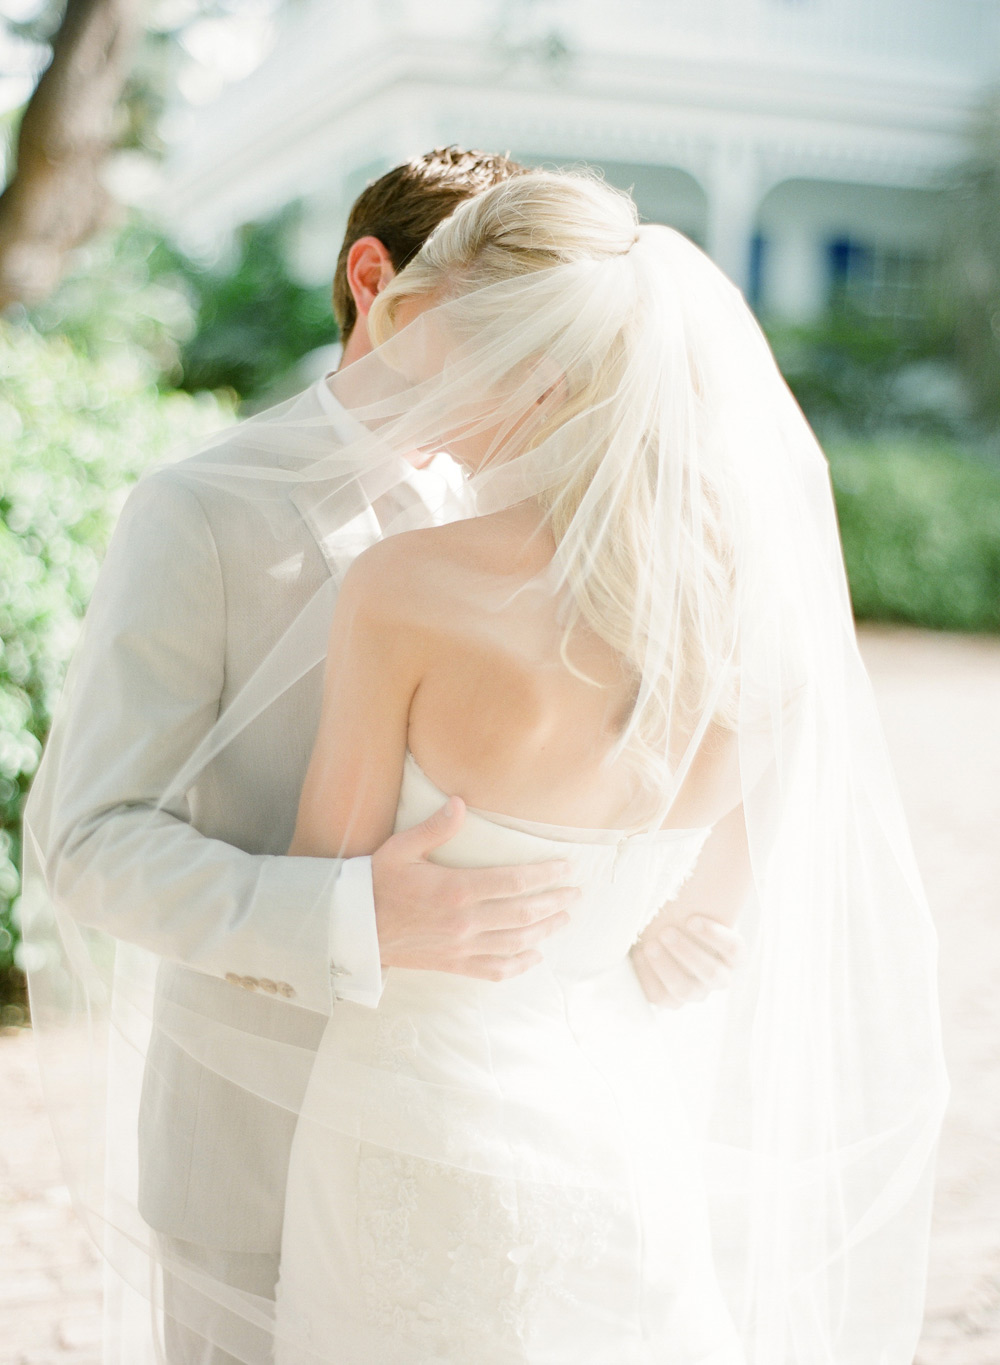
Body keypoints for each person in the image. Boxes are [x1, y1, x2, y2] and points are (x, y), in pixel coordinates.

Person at [151, 169, 943, 1362]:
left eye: (456, 353)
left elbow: (320, 906)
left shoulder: (407, 591)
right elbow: (732, 864)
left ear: (533, 375)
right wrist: (686, 916)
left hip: (409, 1132)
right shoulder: (743, 611)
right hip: (614, 1132)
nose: (426, 386)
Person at [21, 150, 741, 1364]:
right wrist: (353, 914)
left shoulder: (586, 515)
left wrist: (668, 909)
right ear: (380, 284)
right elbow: (89, 843)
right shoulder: (198, 513)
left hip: (518, 1143)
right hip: (252, 1143)